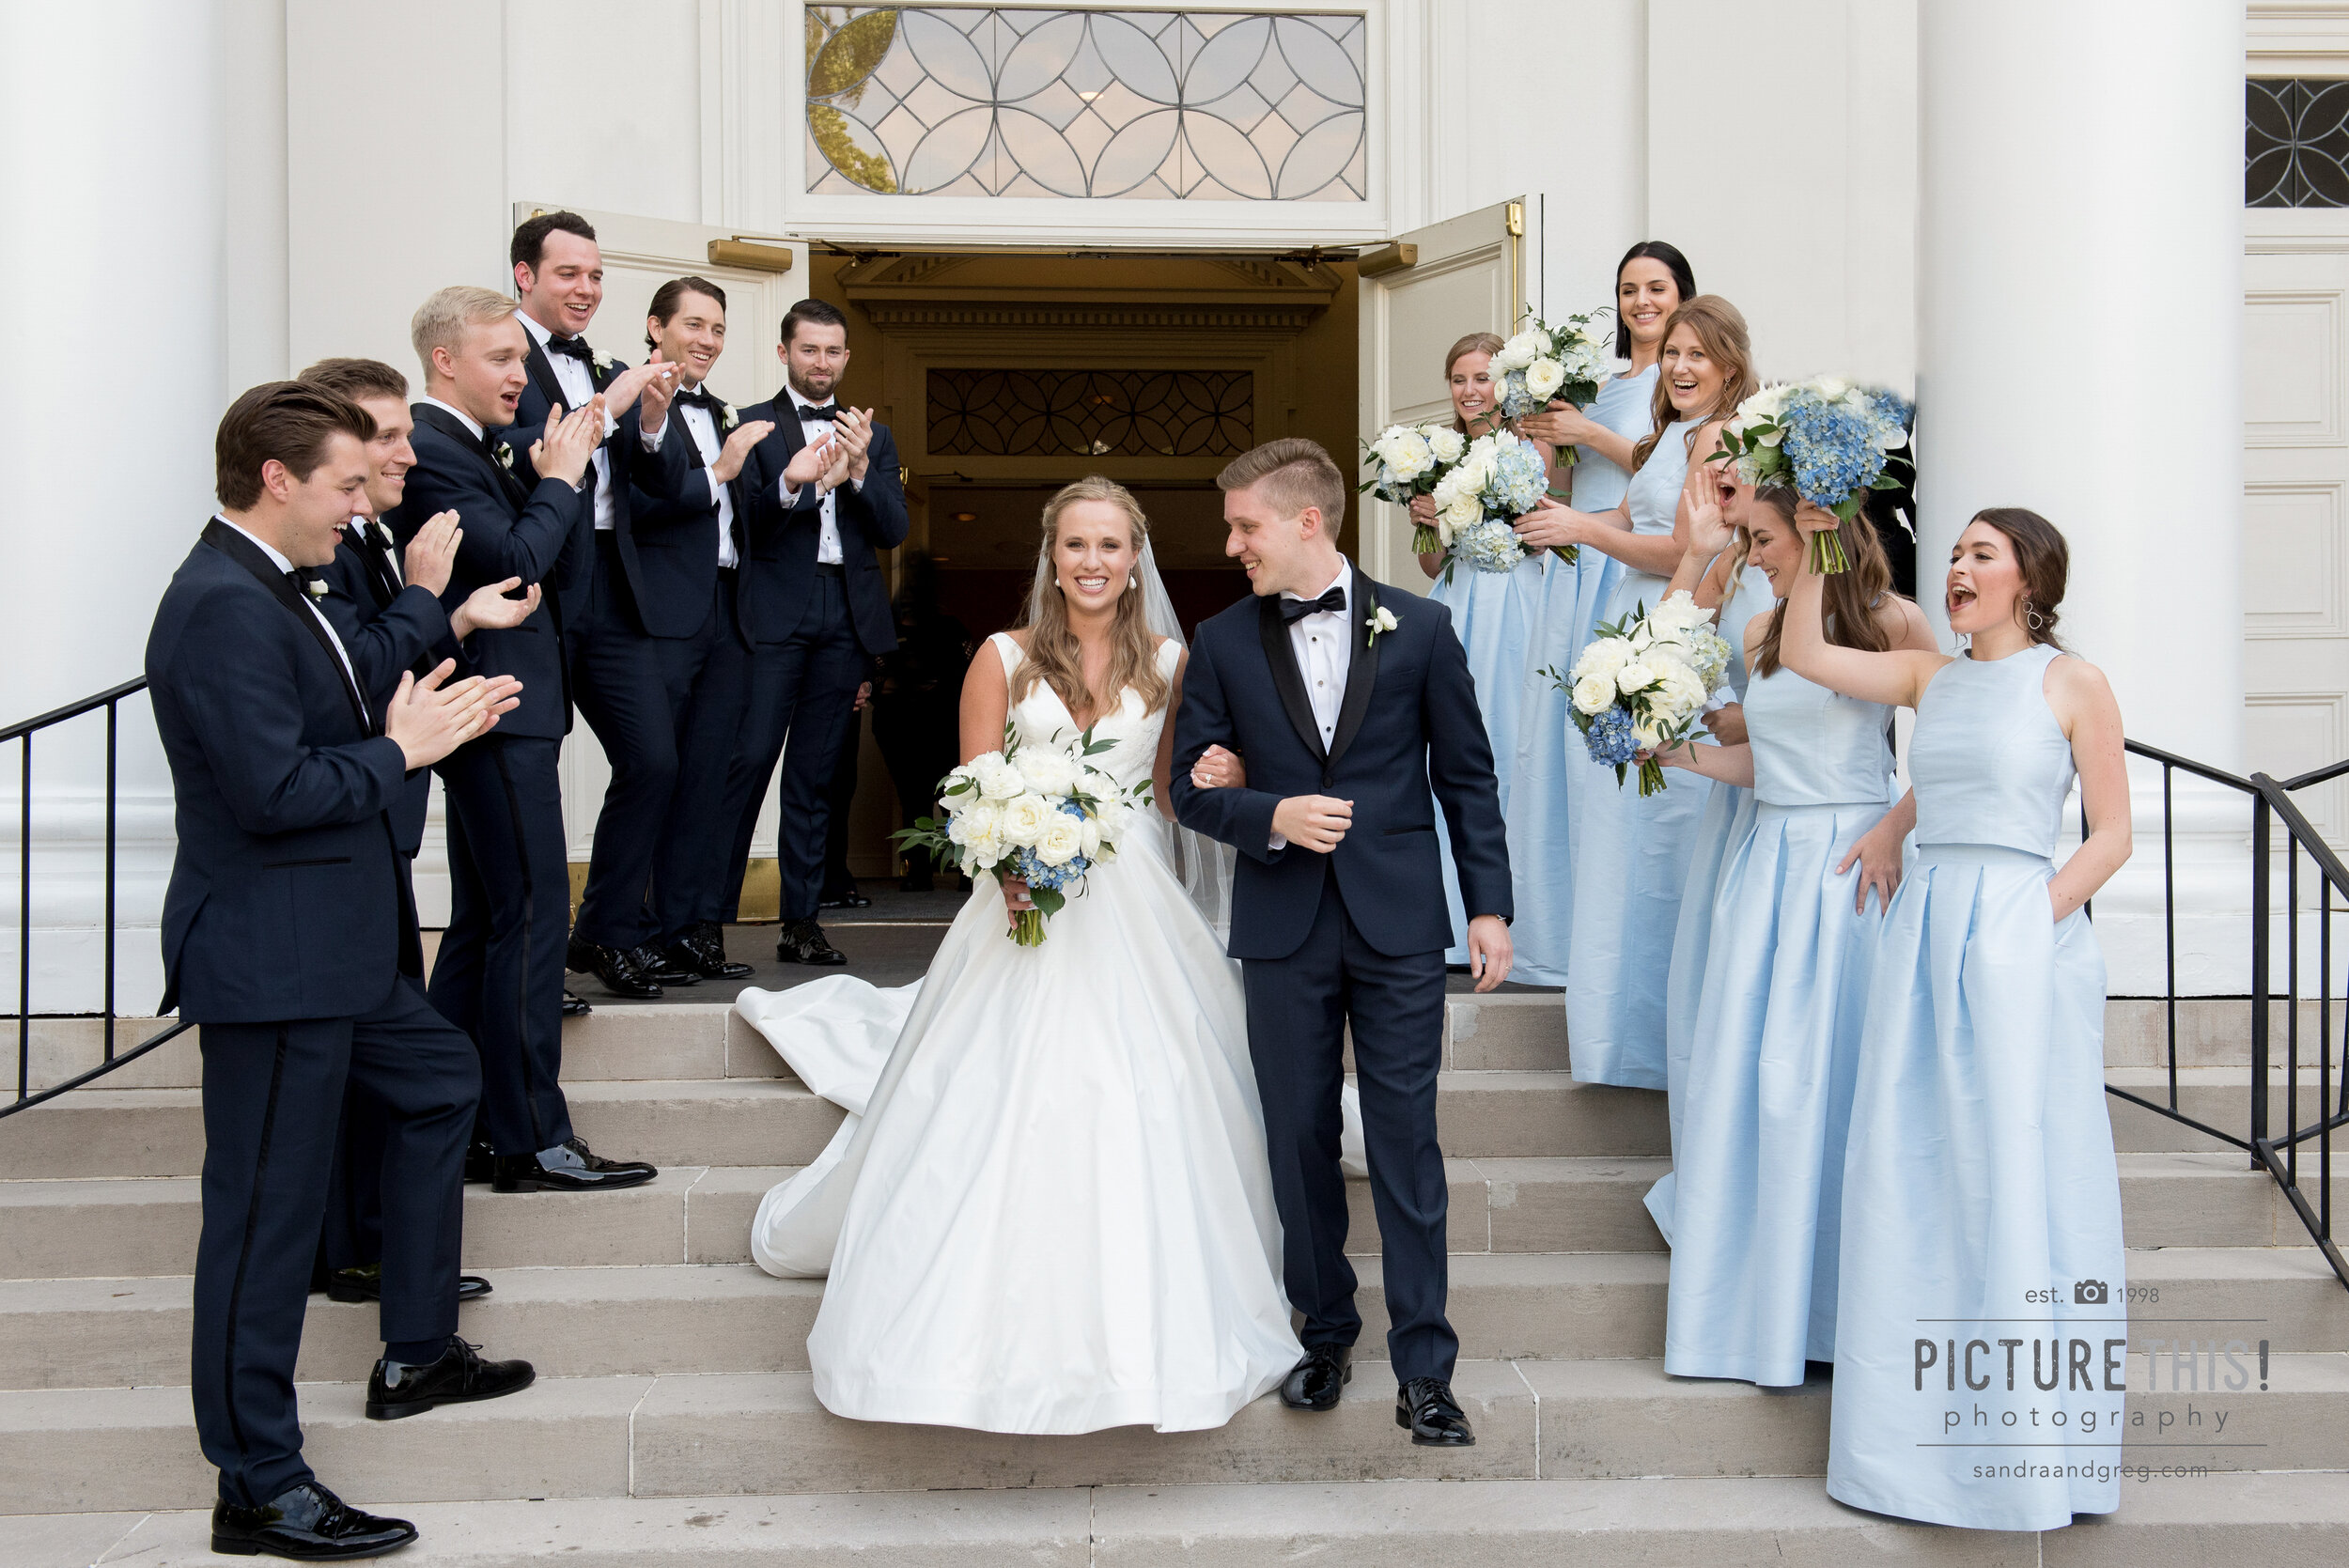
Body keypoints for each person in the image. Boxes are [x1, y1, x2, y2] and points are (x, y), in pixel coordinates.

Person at [740, 477, 1300, 1435]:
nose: (1091, 563)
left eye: (1110, 547)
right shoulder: (999, 657)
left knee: (1144, 1091)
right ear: (1051, 555)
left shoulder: (1171, 661)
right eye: (1075, 545)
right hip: (1020, 904)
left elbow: (1171, 798)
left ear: (1135, 560)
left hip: (1135, 910)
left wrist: (1233, 772)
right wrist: (1002, 860)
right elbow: (967, 791)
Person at [149, 382, 535, 1560]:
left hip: (345, 952)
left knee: (437, 1082)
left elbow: (332, 721)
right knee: (263, 1224)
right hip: (273, 963)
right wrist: (402, 749)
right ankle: (258, 1479)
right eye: (343, 485)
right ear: (277, 478)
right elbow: (272, 793)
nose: (359, 502)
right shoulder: (219, 603)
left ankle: (415, 1346)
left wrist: (417, 715)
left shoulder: (289, 586)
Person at [1784, 507, 2130, 1530]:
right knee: (1909, 1163)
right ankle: (1905, 1455)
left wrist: (2028, 924)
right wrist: (1823, 541)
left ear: (2030, 576)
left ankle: (2030, 1450)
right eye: (1953, 554)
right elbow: (1804, 650)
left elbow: (2110, 835)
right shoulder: (1932, 676)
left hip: (2023, 934)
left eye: (1981, 553)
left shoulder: (2072, 682)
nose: (1957, 567)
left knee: (2016, 1165)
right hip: (1925, 936)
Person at [1173, 438, 1514, 1448]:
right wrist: (1270, 814)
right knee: (1297, 1136)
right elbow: (1189, 786)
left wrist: (1487, 907)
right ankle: (1323, 1331)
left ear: (1306, 521)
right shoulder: (1224, 638)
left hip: (1400, 923)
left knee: (1407, 1139)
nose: (1232, 544)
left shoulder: (1420, 627)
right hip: (1282, 928)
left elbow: (1467, 778)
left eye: (1245, 526)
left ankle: (1425, 1368)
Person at [1643, 485, 1931, 1385]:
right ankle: (1757, 1309)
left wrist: (1892, 826)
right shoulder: (1763, 631)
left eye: (1763, 538)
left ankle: (1849, 1308)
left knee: (1839, 1078)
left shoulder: (1896, 621)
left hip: (1854, 864)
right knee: (1760, 1079)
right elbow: (1764, 760)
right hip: (1769, 861)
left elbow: (1959, 742)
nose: (1753, 554)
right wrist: (1670, 753)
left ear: (1814, 532)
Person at [400, 286, 659, 1195]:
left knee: (481, 922)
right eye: (501, 358)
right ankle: (530, 1138)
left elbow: (552, 562)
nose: (521, 374)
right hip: (494, 705)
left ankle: (454, 1117)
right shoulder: (433, 450)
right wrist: (561, 477)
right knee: (532, 914)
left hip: (510, 701)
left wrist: (555, 473)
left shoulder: (470, 445)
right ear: (445, 361)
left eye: (520, 357)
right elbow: (517, 557)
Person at [296, 355, 538, 1301]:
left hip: (377, 827)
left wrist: (458, 620)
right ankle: (355, 1250)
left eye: (402, 432)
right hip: (348, 826)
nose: (407, 451)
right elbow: (356, 672)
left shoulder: (363, 540)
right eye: (386, 436)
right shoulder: (329, 561)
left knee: (401, 1057)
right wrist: (432, 597)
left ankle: (366, 1244)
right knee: (386, 1067)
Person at [1519, 295, 1756, 1090]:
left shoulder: (1721, 438)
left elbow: (1685, 551)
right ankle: (1623, 1033)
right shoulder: (1671, 437)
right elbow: (1628, 510)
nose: (1681, 367)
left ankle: (1653, 1038)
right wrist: (1564, 512)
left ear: (1730, 365)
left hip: (1676, 630)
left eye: (1699, 355)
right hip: (1635, 628)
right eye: (1674, 354)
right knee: (1622, 828)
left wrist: (1585, 532)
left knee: (1660, 832)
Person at [488, 210, 700, 1000]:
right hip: (537, 585)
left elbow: (671, 482)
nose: (587, 289)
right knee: (529, 772)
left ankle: (604, 933)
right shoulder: (500, 352)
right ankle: (530, 972)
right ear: (525, 276)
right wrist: (608, 405)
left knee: (654, 758)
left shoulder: (606, 364)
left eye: (597, 275)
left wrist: (647, 421)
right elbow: (513, 455)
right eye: (570, 273)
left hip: (614, 584)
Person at [1506, 241, 1694, 985]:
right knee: (1559, 740)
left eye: (1656, 287)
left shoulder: (1683, 385)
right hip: (1580, 552)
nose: (1641, 302)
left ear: (1682, 294)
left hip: (1631, 553)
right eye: (1628, 289)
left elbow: (1664, 477)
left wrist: (1592, 436)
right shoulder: (1599, 382)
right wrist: (1539, 441)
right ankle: (1560, 930)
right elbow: (1566, 479)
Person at [723, 299, 911, 966]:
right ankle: (702, 922)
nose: (822, 363)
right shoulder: (749, 425)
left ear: (847, 358)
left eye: (834, 351)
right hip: (773, 614)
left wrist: (858, 472)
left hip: (846, 618)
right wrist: (794, 483)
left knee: (816, 776)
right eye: (810, 350)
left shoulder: (875, 437)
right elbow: (744, 524)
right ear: (784, 352)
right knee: (745, 764)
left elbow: (893, 530)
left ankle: (801, 923)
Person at [617, 275, 773, 983]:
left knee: (709, 773)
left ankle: (685, 928)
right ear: (656, 328)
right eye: (694, 325)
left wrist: (792, 481)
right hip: (662, 611)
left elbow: (742, 517)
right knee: (659, 769)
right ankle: (634, 928)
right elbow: (636, 510)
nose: (708, 340)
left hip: (727, 610)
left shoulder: (721, 409)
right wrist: (720, 468)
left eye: (718, 328)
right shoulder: (632, 403)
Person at [1406, 334, 1549, 969]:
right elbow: (1433, 562)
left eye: (1482, 377)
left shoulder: (1532, 446)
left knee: (1511, 739)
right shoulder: (1439, 456)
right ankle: (1446, 916)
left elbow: (1545, 539)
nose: (1470, 390)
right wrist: (1427, 520)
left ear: (1506, 383)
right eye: (1459, 378)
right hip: (1457, 603)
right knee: (1445, 749)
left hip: (1516, 603)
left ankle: (1517, 918)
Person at [870, 552, 974, 892]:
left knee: (951, 797)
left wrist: (935, 684)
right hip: (903, 724)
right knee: (920, 797)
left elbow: (971, 674)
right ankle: (925, 871)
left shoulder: (949, 628)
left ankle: (957, 869)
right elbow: (875, 673)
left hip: (941, 723)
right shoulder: (888, 628)